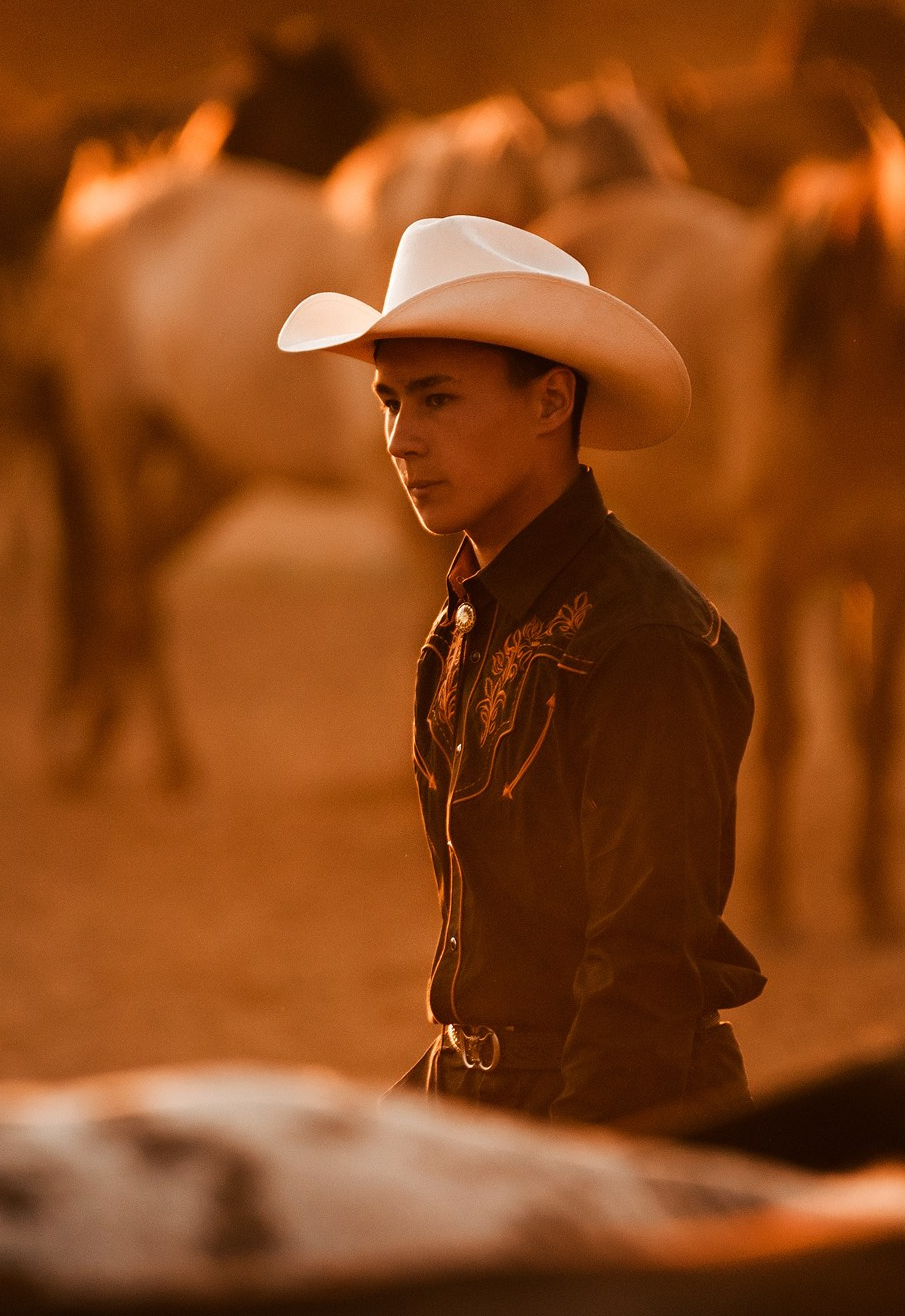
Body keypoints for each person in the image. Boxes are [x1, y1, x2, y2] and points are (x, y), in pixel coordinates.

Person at [278, 216, 762, 1126]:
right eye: (391, 402)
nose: (399, 439)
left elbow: (643, 969)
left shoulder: (645, 639)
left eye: (436, 400)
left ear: (550, 403)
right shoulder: (467, 620)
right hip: (485, 1097)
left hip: (622, 1115)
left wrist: (561, 1174)